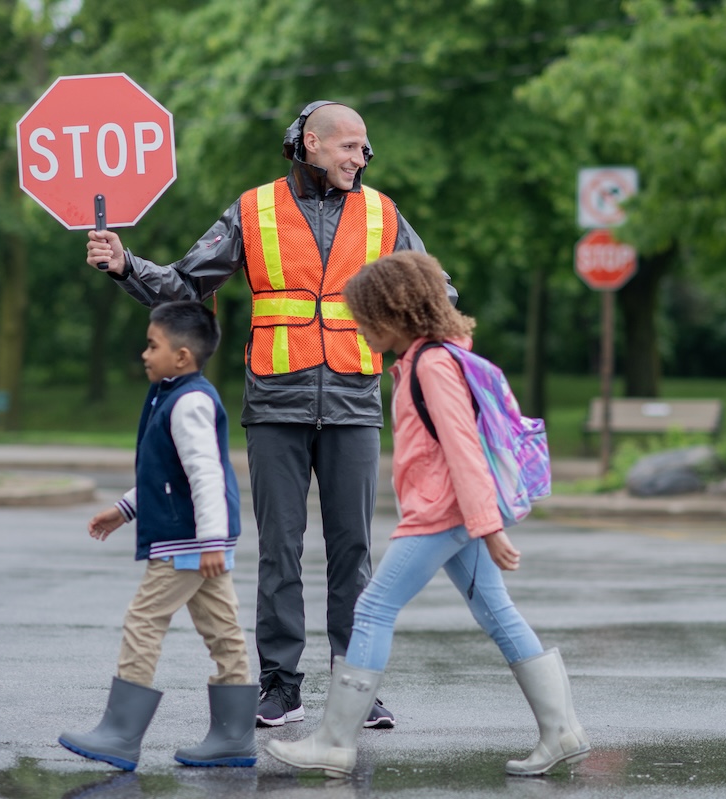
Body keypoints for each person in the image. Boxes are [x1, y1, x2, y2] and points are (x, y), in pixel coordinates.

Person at [86, 101, 454, 730]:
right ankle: (281, 686)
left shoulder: (382, 213)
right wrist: (125, 265)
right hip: (276, 403)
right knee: (280, 551)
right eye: (350, 147)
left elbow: (436, 288)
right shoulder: (253, 210)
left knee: (353, 550)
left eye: (365, 150)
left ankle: (355, 684)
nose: (361, 159)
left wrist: (437, 327)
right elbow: (184, 283)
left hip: (354, 402)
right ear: (310, 143)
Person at [265, 251, 590, 779]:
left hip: (442, 513)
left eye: (364, 317)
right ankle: (562, 731)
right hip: (457, 511)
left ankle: (334, 741)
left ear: (394, 315)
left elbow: (463, 450)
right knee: (498, 613)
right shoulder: (431, 359)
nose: (360, 329)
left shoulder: (432, 365)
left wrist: (488, 527)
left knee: (371, 611)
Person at [58, 300, 258, 771]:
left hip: (188, 541)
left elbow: (205, 474)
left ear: (183, 356)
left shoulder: (188, 401)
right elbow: (163, 475)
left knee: (144, 620)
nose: (145, 354)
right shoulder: (173, 394)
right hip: (198, 539)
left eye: (153, 345)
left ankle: (120, 734)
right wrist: (125, 509)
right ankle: (234, 737)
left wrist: (209, 540)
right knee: (223, 632)